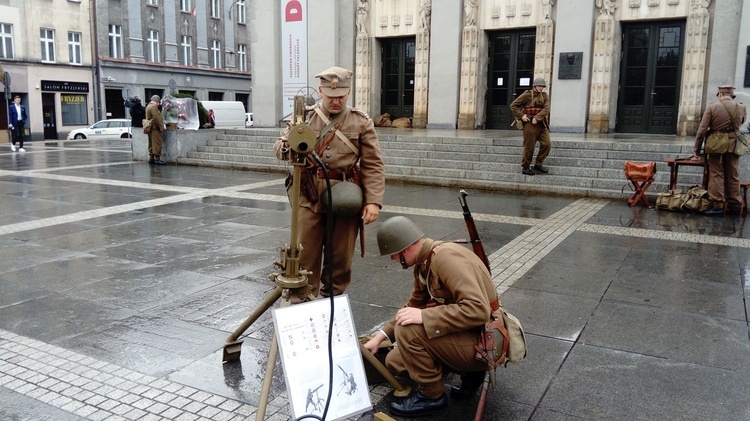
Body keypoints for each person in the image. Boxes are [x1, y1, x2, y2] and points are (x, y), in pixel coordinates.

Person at [364, 216, 499, 417]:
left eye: (393, 254)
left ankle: (432, 396)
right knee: (395, 361)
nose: (393, 259)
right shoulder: (425, 261)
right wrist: (380, 336)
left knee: (408, 330)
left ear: (405, 248)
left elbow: (477, 310)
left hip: (484, 341)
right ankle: (469, 372)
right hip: (467, 332)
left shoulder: (446, 259)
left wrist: (425, 317)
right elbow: (412, 305)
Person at [273, 66, 385, 298]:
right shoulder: (304, 116)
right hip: (309, 194)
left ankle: (332, 302)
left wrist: (373, 201)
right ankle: (304, 301)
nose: (335, 101)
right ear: (321, 91)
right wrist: (286, 146)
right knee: (305, 255)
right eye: (331, 96)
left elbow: (373, 164)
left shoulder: (361, 122)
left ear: (348, 93)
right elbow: (280, 146)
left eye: (341, 97)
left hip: (344, 197)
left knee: (340, 258)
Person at [693, 84, 747, 215]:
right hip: (734, 145)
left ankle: (718, 205)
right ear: (732, 95)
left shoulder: (712, 107)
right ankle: (735, 204)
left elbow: (702, 130)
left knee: (716, 174)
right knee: (733, 174)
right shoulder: (741, 107)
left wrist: (697, 148)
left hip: (716, 145)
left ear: (720, 94)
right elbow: (741, 123)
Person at [510, 77, 552, 175]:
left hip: (541, 123)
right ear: (534, 86)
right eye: (539, 86)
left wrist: (537, 118)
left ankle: (538, 164)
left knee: (547, 144)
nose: (541, 88)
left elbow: (546, 109)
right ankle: (525, 167)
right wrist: (522, 116)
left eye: (542, 86)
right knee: (529, 147)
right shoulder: (527, 95)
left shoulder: (545, 96)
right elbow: (513, 105)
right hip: (529, 124)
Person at [145, 95, 165, 165]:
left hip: (150, 128)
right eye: (158, 102)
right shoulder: (153, 107)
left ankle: (151, 158)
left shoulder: (148, 106)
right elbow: (157, 118)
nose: (159, 104)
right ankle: (157, 158)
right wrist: (161, 126)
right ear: (156, 101)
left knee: (151, 143)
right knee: (157, 143)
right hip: (155, 128)